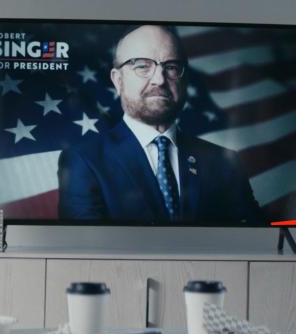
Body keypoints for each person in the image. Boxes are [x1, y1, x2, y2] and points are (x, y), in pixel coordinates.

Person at [57, 25, 263, 224]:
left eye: (171, 67)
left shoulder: (224, 161)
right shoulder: (84, 160)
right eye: (142, 66)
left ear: (184, 81)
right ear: (118, 80)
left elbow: (253, 239)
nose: (159, 79)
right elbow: (89, 250)